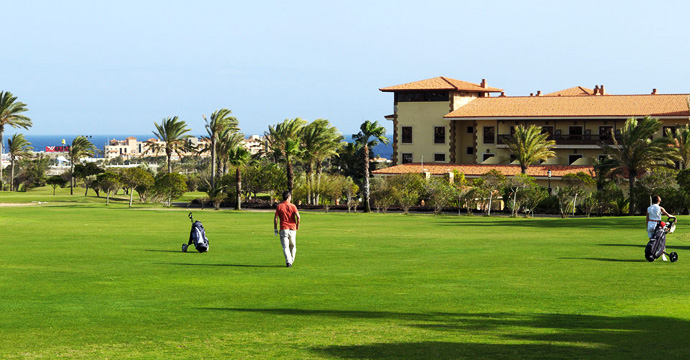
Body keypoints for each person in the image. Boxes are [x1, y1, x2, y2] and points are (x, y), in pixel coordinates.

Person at [274, 190, 300, 267]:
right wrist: (297, 224)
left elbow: (276, 218)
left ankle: (289, 262)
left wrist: (275, 228)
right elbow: (298, 216)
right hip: (292, 228)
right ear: (288, 197)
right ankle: (291, 260)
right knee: (292, 246)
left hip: (283, 228)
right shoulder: (293, 206)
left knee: (285, 247)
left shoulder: (279, 206)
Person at [646, 195, 674, 261]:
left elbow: (647, 218)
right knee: (661, 240)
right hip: (657, 224)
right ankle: (662, 256)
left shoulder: (649, 208)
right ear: (658, 200)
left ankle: (652, 254)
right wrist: (674, 217)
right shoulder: (660, 208)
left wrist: (647, 226)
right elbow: (668, 215)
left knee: (652, 240)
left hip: (650, 224)